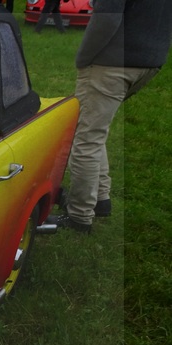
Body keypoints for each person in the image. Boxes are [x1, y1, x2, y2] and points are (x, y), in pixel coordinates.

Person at [53, 0, 172, 233]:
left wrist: (83, 57)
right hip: (149, 61)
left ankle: (79, 216)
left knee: (86, 139)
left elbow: (107, 17)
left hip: (112, 64)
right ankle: (100, 199)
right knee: (94, 130)